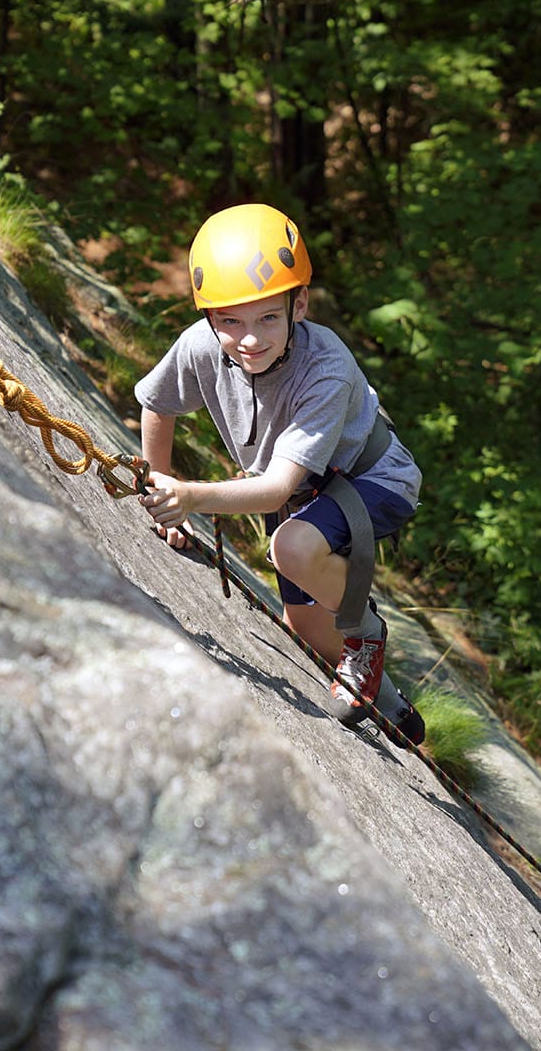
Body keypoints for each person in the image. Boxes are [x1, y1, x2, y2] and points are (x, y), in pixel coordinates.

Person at [134, 202, 425, 741]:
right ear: (209, 317)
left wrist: (190, 497)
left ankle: (367, 632)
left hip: (371, 477)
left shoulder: (326, 367)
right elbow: (158, 404)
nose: (250, 339)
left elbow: (276, 490)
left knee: (291, 548)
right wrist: (161, 490)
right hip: (299, 491)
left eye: (269, 316)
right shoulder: (203, 345)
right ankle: (393, 707)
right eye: (230, 321)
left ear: (300, 304)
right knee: (307, 629)